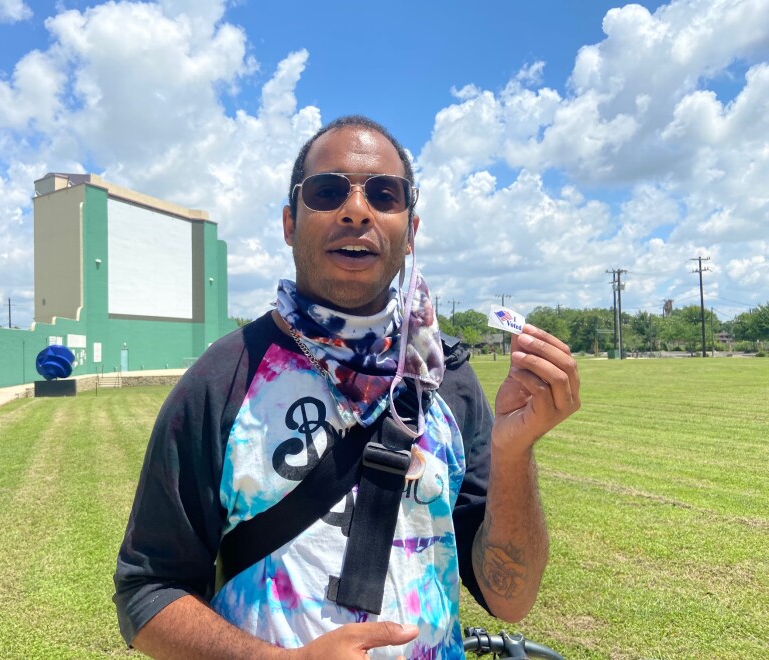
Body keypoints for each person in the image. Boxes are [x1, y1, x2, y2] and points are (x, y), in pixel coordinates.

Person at [113, 115, 581, 659]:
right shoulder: (225, 378)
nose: (356, 209)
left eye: (385, 194)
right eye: (328, 191)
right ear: (290, 223)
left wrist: (514, 451)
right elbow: (146, 592)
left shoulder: (447, 379)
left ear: (411, 231)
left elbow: (510, 597)